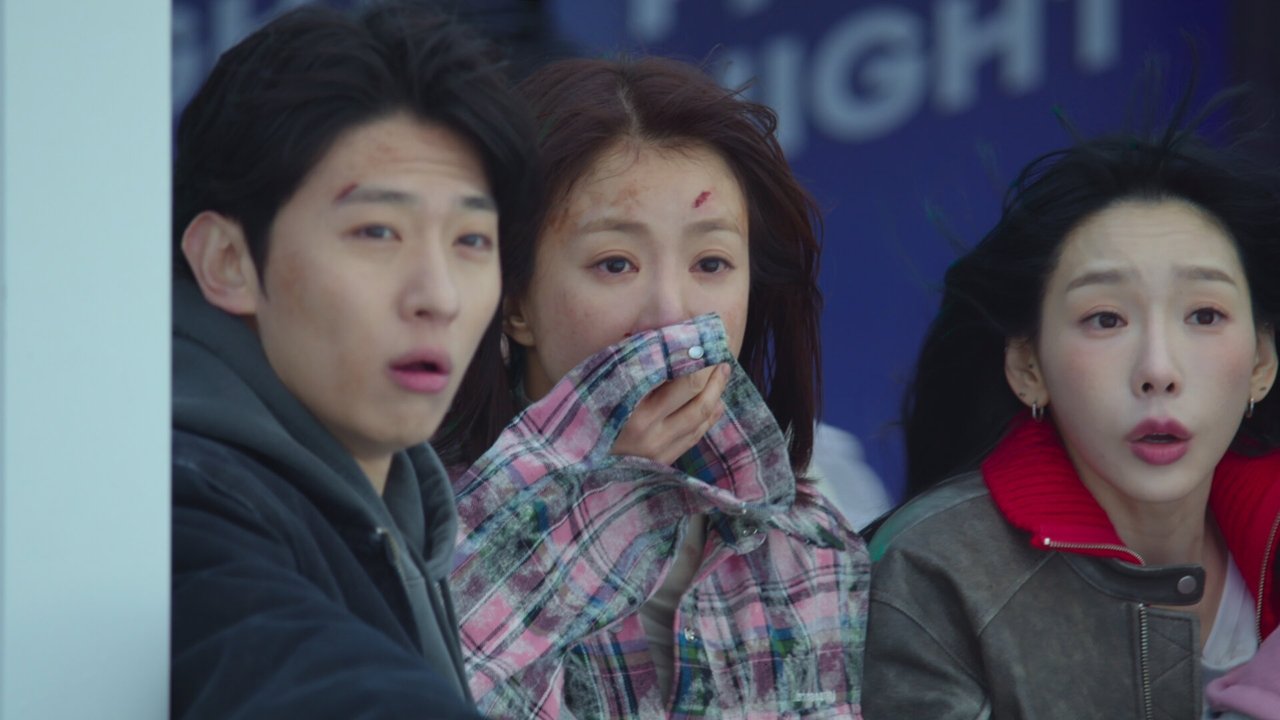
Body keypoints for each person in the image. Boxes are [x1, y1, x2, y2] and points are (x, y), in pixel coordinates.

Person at [437, 56, 871, 718]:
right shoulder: (415, 524)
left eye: (711, 263)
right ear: (515, 303)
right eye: (616, 263)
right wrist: (605, 495)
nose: (671, 313)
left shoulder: (808, 545)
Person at [169, 3, 534, 717]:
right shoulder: (171, 502)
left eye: (471, 241)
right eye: (377, 232)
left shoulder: (400, 499)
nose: (438, 297)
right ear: (227, 261)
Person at [863, 102, 1280, 718]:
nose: (1158, 370)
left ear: (1262, 363)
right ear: (1028, 368)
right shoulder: (932, 573)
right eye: (1105, 319)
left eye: (1204, 315)